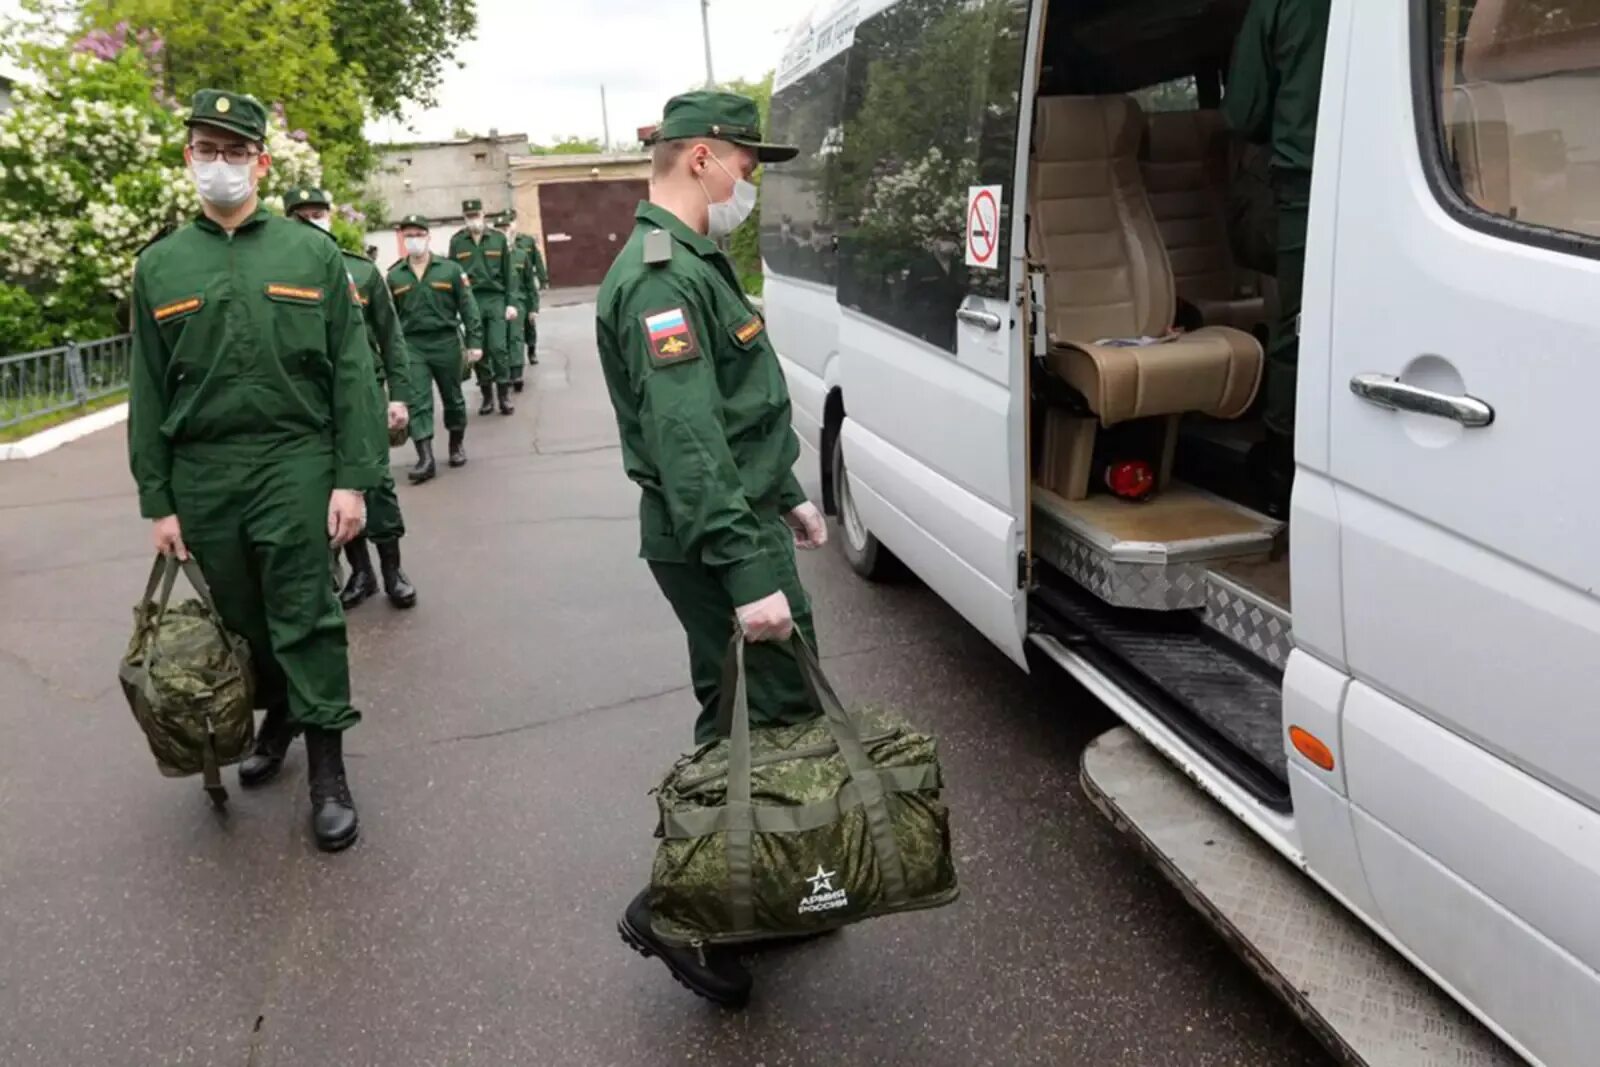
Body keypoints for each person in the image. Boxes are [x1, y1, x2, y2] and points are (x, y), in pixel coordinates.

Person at [594, 90, 827, 1007]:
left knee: (745, 707)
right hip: (714, 538)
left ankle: (749, 888)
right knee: (768, 713)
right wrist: (748, 571)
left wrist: (790, 494)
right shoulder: (660, 275)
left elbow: (732, 413)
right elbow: (688, 447)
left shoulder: (695, 257)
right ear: (702, 159)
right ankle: (680, 907)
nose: (752, 180)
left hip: (737, 518)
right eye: (748, 161)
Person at [127, 89, 383, 851]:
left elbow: (351, 374)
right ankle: (279, 715)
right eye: (206, 149)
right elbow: (146, 387)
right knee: (239, 617)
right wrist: (159, 499)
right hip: (205, 470)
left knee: (303, 607)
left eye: (234, 150)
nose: (220, 164)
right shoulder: (161, 266)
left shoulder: (311, 255)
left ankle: (328, 766)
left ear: (262, 162)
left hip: (294, 459)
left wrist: (351, 477)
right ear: (188, 159)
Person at [1222, 0, 1333, 515]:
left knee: (1303, 325)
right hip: (1405, 177)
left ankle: (1282, 462)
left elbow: (1243, 113)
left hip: (1309, 185)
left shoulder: (1280, 5)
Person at [284, 186, 418, 610]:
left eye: (318, 212)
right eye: (302, 214)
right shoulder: (283, 273)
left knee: (375, 482)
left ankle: (393, 569)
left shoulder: (359, 272)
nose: (312, 219)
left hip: (362, 396)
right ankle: (361, 573)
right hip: (311, 401)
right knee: (331, 485)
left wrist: (398, 396)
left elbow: (390, 337)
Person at [388, 215, 483, 479]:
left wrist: (474, 342)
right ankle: (425, 458)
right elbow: (390, 320)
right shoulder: (395, 275)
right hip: (413, 345)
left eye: (418, 234)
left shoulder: (450, 270)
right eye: (409, 235)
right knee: (418, 400)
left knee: (452, 397)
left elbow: (468, 306)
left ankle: (456, 444)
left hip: (446, 342)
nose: (414, 240)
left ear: (428, 237)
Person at [448, 198, 517, 416]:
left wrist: (511, 303)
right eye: (469, 216)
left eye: (476, 215)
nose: (473, 220)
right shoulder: (458, 242)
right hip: (471, 300)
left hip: (495, 298)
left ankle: (504, 395)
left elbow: (509, 273)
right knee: (478, 350)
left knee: (498, 347)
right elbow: (452, 274)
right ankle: (487, 395)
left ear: (483, 214)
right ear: (464, 218)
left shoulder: (497, 239)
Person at [497, 211, 534, 394]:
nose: (504, 232)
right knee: (499, 341)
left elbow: (528, 283)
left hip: (518, 301)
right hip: (497, 302)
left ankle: (516, 373)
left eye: (505, 228)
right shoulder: (492, 256)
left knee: (516, 338)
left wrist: (533, 307)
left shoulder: (521, 255)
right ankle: (503, 374)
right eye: (499, 229)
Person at [517, 227, 547, 367]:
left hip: (526, 285)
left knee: (530, 321)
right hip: (511, 287)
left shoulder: (527, 241)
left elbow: (538, 260)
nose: (506, 228)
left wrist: (542, 279)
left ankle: (531, 351)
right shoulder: (501, 241)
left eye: (508, 224)